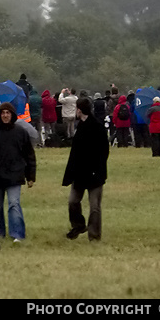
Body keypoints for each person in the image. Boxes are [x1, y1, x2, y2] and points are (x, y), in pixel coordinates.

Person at [0, 102, 36, 243]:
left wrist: (31, 176)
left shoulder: (21, 132)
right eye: (2, 113)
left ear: (12, 115)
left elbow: (29, 155)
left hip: (15, 175)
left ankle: (17, 234)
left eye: (8, 113)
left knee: (14, 204)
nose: (5, 115)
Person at [62, 97, 109, 242]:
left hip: (95, 174)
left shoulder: (97, 127)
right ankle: (79, 225)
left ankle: (94, 236)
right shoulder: (80, 126)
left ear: (79, 110)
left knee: (94, 207)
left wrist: (98, 170)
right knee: (73, 202)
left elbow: (104, 152)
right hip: (79, 174)